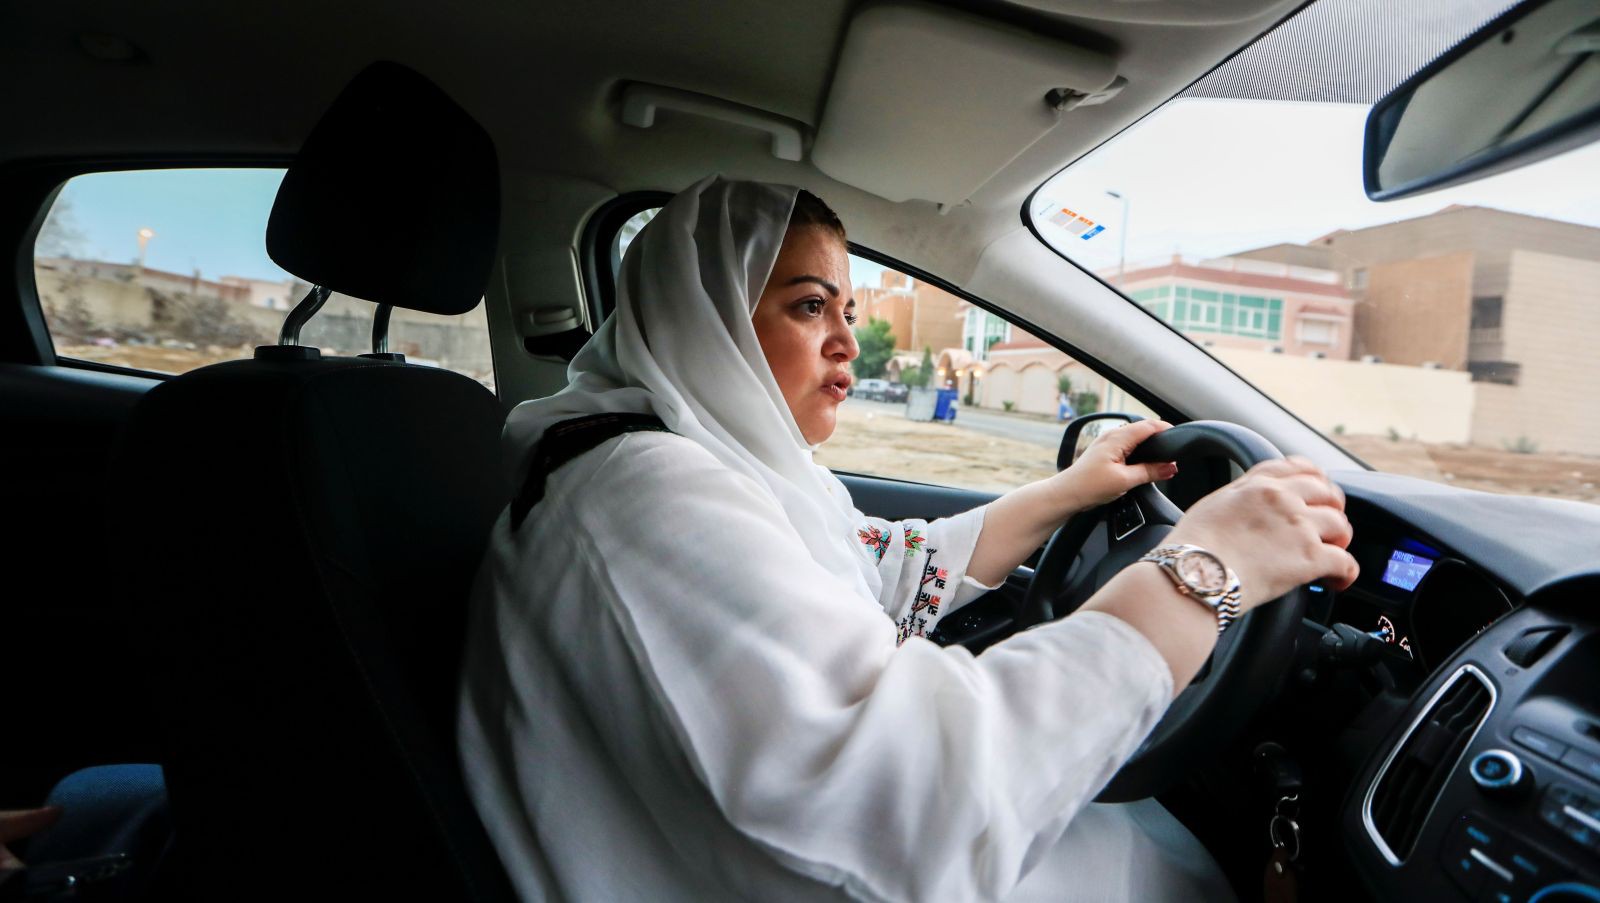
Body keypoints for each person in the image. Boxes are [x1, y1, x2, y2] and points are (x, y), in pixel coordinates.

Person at [457, 176, 1358, 902]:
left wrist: (1069, 491)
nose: (848, 342)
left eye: (848, 310)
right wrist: (1203, 571)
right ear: (707, 318)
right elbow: (909, 793)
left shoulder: (722, 467)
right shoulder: (644, 493)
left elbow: (882, 569)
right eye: (810, 306)